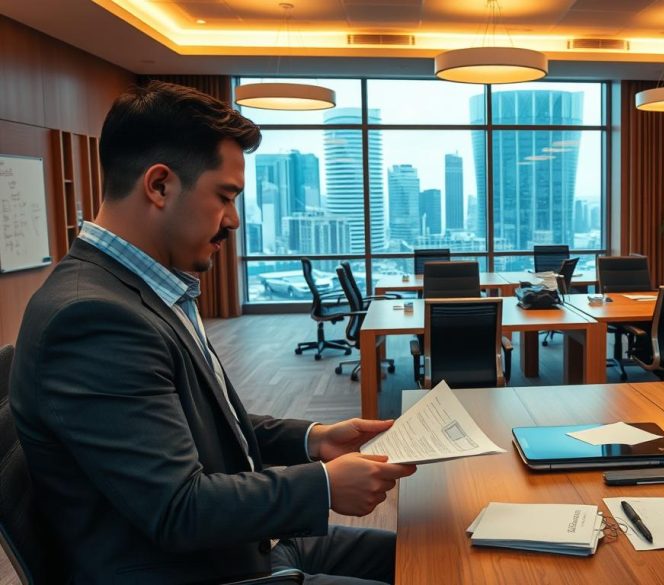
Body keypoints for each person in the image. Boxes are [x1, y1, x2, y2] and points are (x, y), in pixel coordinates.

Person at [9, 81, 416, 584]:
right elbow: (178, 509)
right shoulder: (92, 318)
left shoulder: (139, 289)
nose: (234, 220)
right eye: (225, 196)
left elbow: (204, 423)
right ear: (159, 186)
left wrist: (315, 440)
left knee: (428, 552)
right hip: (199, 571)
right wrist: (324, 486)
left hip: (240, 545)